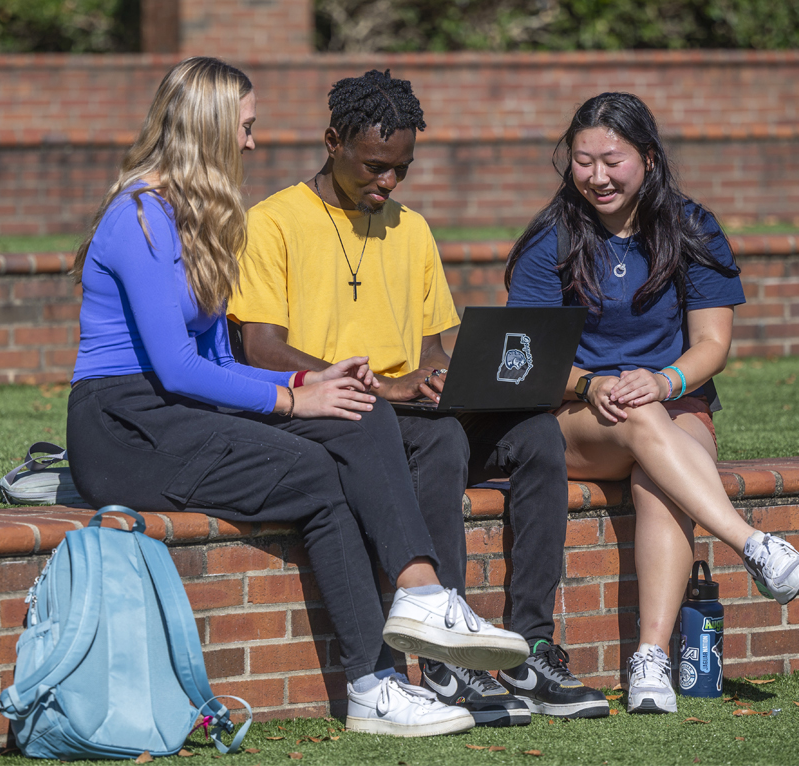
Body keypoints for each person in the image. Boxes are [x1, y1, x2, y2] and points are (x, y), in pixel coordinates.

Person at [64, 57, 528, 738]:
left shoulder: (201, 218)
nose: (254, 142)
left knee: (354, 408)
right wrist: (290, 401)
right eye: (246, 127)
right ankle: (383, 666)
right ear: (211, 128)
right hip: (123, 427)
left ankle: (413, 613)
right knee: (317, 465)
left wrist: (311, 384)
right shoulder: (140, 216)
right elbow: (175, 365)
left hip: (177, 413)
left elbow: (220, 358)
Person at [230, 70, 608, 725]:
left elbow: (440, 344)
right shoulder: (273, 224)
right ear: (332, 142)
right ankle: (444, 659)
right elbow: (258, 347)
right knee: (443, 438)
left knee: (539, 437)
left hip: (412, 407)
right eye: (376, 167)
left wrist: (457, 377)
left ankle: (528, 648)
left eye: (402, 169)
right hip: (334, 415)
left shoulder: (412, 230)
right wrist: (387, 384)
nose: (389, 182)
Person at [503, 92, 799, 714]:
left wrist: (665, 381)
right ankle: (753, 545)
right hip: (575, 415)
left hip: (673, 404)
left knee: (662, 470)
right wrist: (590, 384)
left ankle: (650, 660)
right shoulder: (551, 240)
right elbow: (528, 355)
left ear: (648, 158)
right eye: (582, 161)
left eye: (612, 161)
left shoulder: (690, 225)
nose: (596, 176)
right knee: (645, 420)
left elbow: (712, 344)